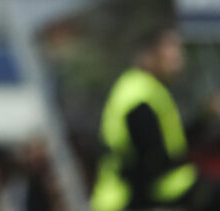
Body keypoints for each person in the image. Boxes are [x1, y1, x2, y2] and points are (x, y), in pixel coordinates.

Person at [91, 26, 220, 211]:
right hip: (127, 199)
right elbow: (151, 163)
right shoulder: (138, 97)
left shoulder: (149, 88)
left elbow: (171, 148)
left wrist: (204, 117)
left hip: (152, 189)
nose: (179, 56)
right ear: (149, 55)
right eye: (171, 48)